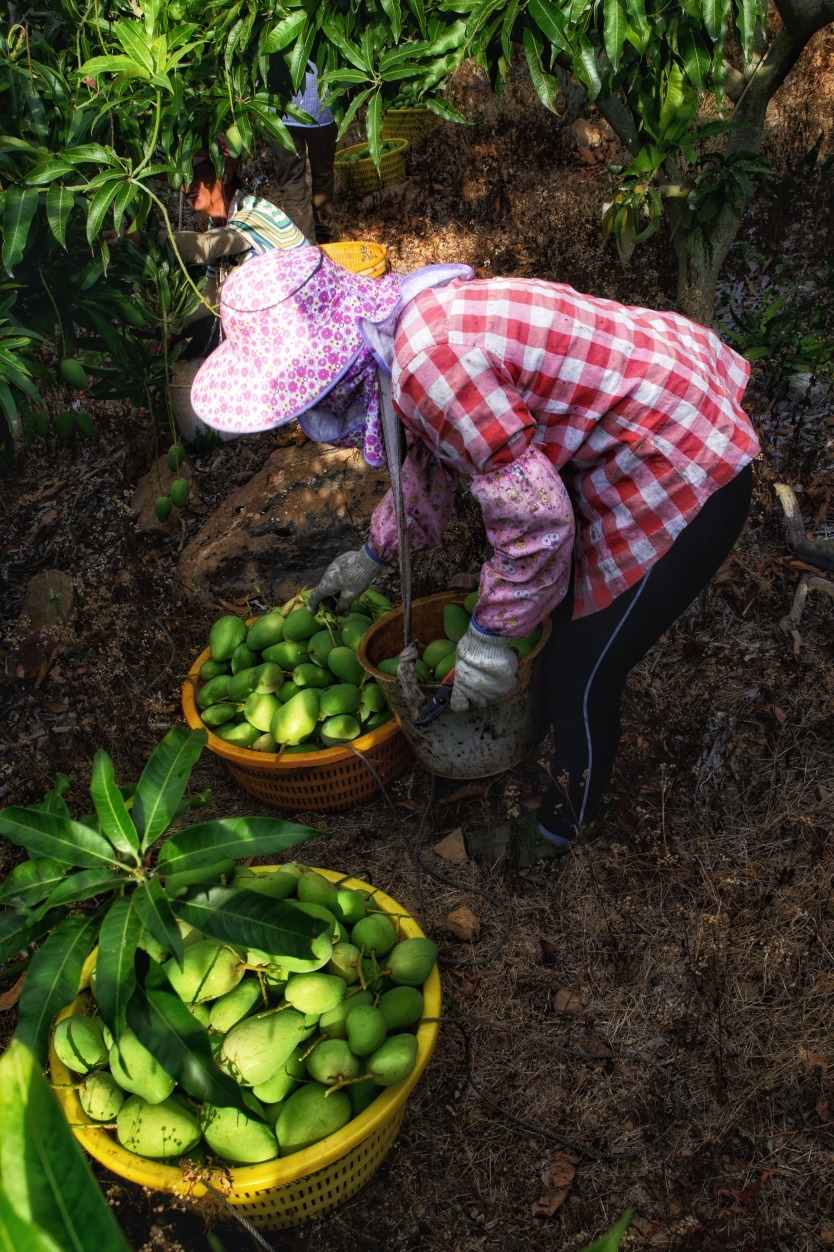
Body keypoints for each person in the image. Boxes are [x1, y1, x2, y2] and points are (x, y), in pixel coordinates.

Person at [190, 248, 760, 865]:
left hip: (680, 458)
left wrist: (490, 633)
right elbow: (438, 460)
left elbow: (537, 520)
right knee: (562, 624)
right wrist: (373, 554)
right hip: (649, 408)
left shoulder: (432, 366)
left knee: (582, 671)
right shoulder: (408, 331)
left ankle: (560, 832)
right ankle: (543, 746)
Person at [171, 144, 309, 358]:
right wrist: (174, 325)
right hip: (272, 320)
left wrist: (147, 242)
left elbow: (208, 246)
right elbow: (210, 293)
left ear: (224, 173)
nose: (185, 185)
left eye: (195, 174)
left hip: (302, 317)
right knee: (187, 337)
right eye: (181, 177)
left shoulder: (253, 211)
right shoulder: (217, 223)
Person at [270, 61, 339, 245]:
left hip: (282, 109)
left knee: (292, 183)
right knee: (323, 173)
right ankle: (323, 232)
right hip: (320, 105)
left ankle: (306, 245)